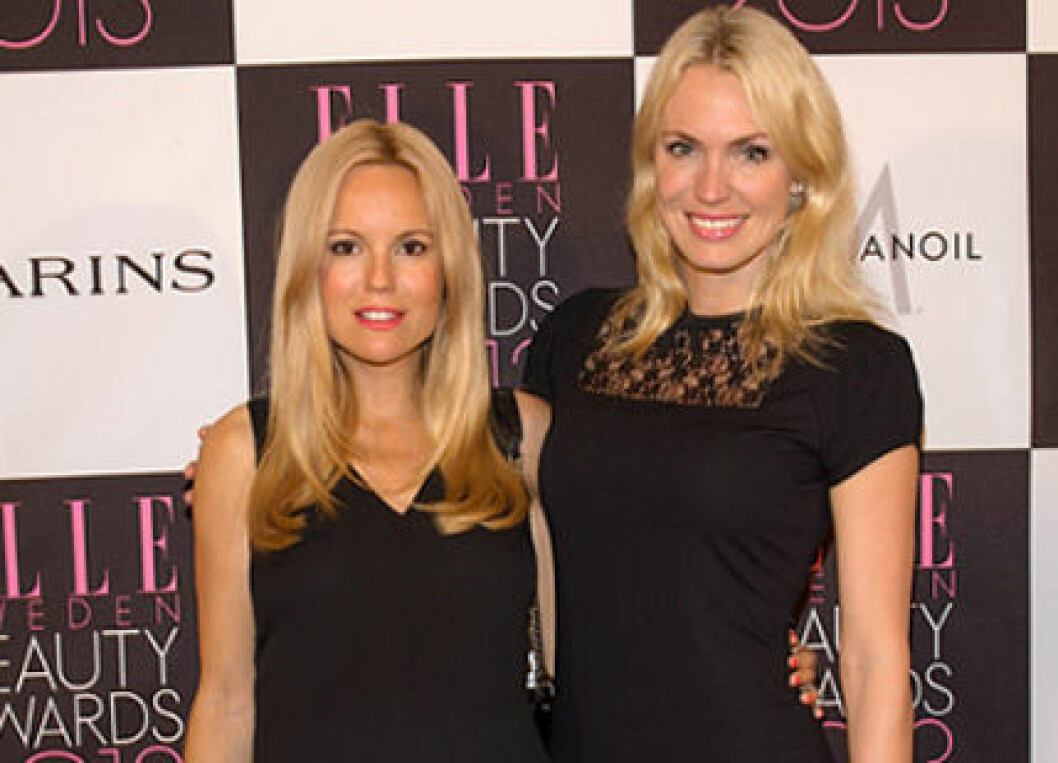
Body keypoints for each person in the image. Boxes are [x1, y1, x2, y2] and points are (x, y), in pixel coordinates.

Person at [515, 5, 922, 762]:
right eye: (684, 148)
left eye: (751, 153)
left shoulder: (855, 367)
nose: (711, 187)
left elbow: (873, 664)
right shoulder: (575, 338)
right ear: (652, 164)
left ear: (801, 176)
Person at [183, 119, 551, 762]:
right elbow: (226, 703)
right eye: (347, 247)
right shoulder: (245, 452)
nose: (379, 279)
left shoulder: (523, 439)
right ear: (308, 267)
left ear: (449, 270)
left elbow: (596, 670)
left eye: (411, 247)